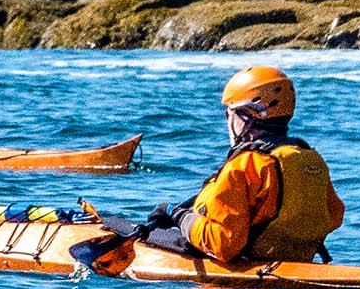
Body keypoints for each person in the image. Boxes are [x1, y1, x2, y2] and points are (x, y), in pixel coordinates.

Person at [145, 65, 344, 264]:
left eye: (230, 113)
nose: (228, 120)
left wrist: (177, 215)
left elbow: (223, 244)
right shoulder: (310, 157)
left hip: (242, 271)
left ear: (247, 115)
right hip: (294, 261)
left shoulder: (244, 165)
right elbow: (334, 216)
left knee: (143, 234)